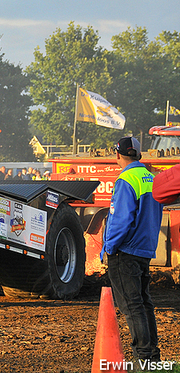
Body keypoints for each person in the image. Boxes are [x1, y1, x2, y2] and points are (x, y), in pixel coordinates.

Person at [100, 136, 163, 362]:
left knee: (132, 305)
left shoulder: (126, 179)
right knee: (144, 303)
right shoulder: (150, 178)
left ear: (117, 154)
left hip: (125, 251)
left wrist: (109, 247)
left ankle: (144, 358)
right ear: (139, 154)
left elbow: (120, 220)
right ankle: (152, 357)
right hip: (145, 249)